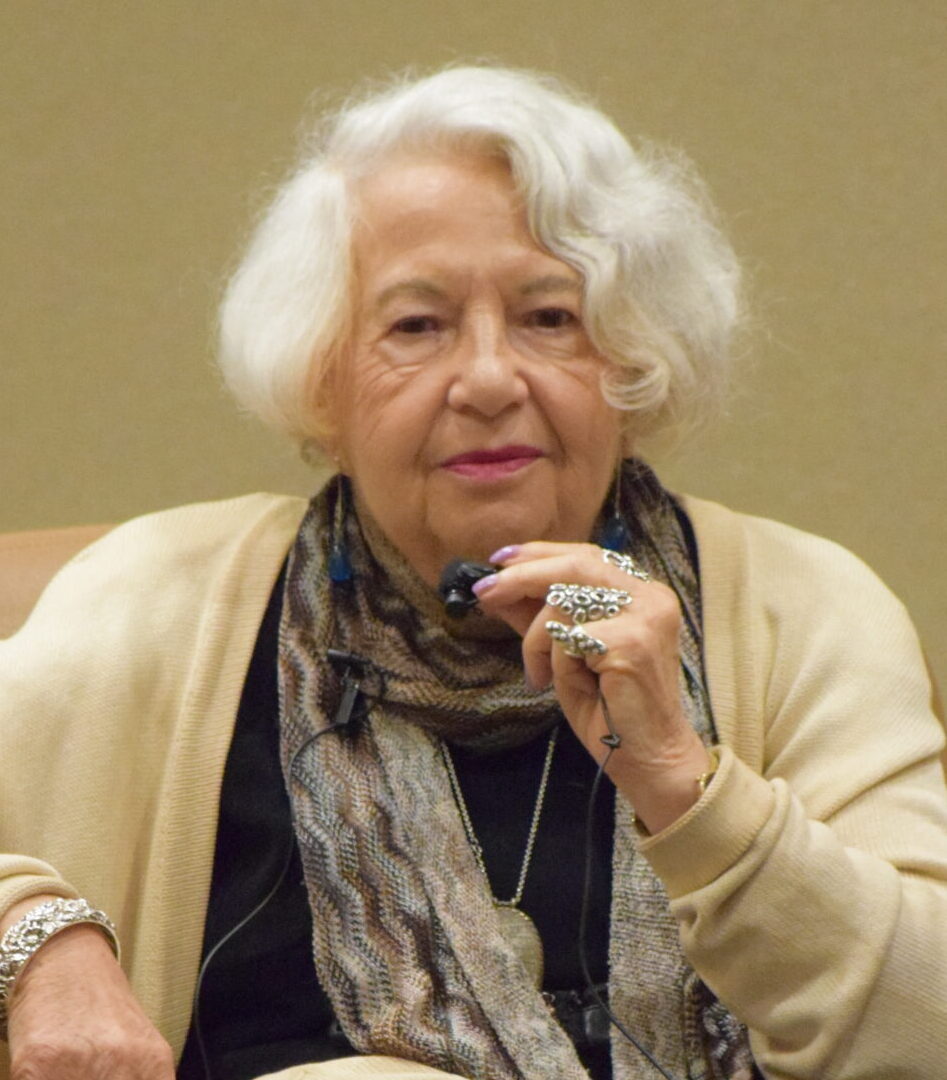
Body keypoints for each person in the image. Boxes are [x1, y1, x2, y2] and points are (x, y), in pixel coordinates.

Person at [1, 65, 946, 1080]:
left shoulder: (804, 609)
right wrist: (35, 935)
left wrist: (683, 779)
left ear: (630, 362)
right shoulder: (159, 601)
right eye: (417, 326)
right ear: (323, 377)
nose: (490, 379)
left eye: (549, 318)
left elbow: (922, 1029)